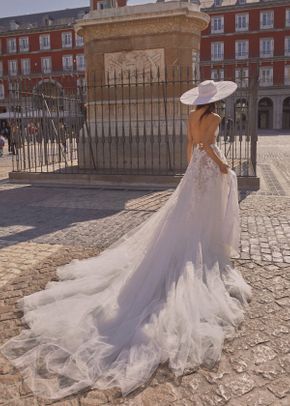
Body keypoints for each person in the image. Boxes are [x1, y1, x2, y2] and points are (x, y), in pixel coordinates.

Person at [0, 80, 251, 401]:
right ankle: (199, 254)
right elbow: (211, 147)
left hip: (193, 173)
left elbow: (191, 145)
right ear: (216, 99)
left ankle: (188, 250)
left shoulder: (191, 117)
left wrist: (192, 170)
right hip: (208, 170)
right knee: (200, 221)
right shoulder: (214, 119)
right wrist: (222, 167)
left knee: (184, 220)